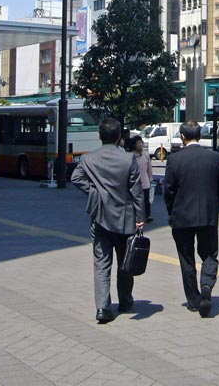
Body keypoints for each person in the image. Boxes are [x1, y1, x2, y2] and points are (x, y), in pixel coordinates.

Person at [71, 117, 145, 324]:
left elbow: (75, 178)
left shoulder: (88, 159)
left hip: (100, 217)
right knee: (125, 261)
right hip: (125, 218)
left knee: (101, 263)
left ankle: (102, 308)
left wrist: (93, 192)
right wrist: (140, 217)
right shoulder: (128, 159)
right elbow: (136, 191)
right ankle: (125, 300)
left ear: (99, 136)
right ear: (119, 136)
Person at [164, 120, 219, 317]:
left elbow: (169, 191)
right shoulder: (215, 158)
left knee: (186, 258)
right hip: (207, 215)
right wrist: (214, 211)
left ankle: (193, 300)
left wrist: (171, 213)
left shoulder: (175, 159)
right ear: (199, 135)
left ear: (183, 137)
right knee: (210, 254)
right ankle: (206, 283)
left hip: (182, 217)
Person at [126, 134, 154, 223]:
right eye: (137, 143)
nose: (140, 145)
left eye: (141, 143)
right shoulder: (131, 155)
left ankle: (148, 215)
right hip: (135, 182)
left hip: (145, 181)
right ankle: (136, 216)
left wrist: (150, 178)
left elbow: (149, 168)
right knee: (135, 200)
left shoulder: (146, 155)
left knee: (146, 200)